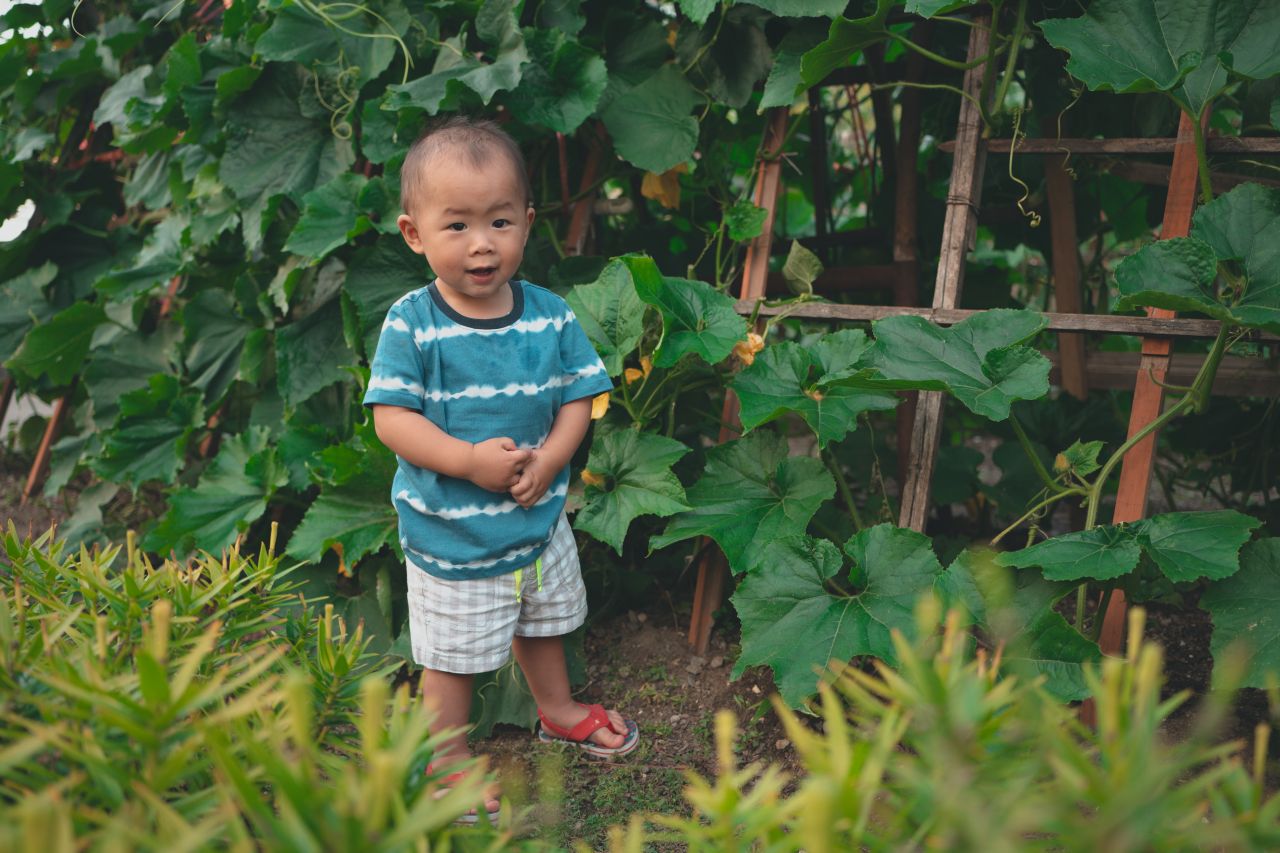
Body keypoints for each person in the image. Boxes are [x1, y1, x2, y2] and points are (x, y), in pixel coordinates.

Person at [363, 117, 638, 823]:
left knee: (543, 622)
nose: (482, 243)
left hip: (537, 523)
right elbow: (391, 418)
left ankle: (556, 708)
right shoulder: (412, 324)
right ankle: (445, 759)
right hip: (453, 536)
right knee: (451, 659)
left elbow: (582, 396)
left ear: (527, 223)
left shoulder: (548, 317)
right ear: (414, 233)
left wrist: (551, 457)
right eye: (457, 226)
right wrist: (467, 461)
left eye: (500, 221)